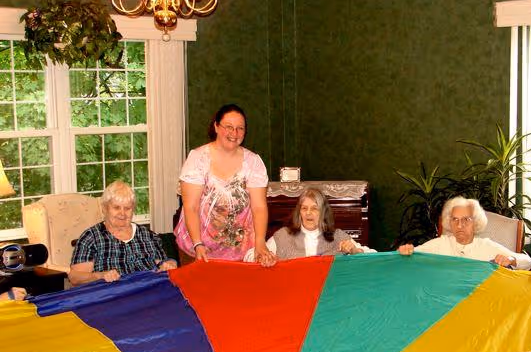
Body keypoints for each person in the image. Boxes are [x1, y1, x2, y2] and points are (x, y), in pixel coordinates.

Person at [174, 104, 274, 266]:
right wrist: (197, 244)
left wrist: (260, 241)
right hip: (198, 248)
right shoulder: (198, 159)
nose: (234, 133)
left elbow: (259, 207)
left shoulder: (253, 162)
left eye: (240, 128)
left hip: (240, 252)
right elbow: (191, 206)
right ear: (216, 126)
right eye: (228, 127)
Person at [69, 181, 177, 286]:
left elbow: (162, 263)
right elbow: (75, 277)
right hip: (112, 296)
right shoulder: (91, 237)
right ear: (105, 208)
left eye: (127, 208)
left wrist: (169, 264)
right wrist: (101, 276)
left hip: (149, 291)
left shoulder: (148, 235)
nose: (122, 213)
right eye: (116, 208)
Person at [244, 187, 375, 265]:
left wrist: (354, 251)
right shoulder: (283, 236)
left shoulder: (338, 236)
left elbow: (373, 257)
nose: (308, 213)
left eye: (314, 209)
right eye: (304, 208)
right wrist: (263, 257)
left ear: (323, 212)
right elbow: (249, 256)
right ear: (299, 211)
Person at [398, 196, 531, 270]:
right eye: (454, 219)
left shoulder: (486, 246)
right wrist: (407, 251)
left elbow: (528, 262)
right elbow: (412, 255)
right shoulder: (441, 244)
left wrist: (511, 260)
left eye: (466, 220)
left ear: (475, 223)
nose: (459, 225)